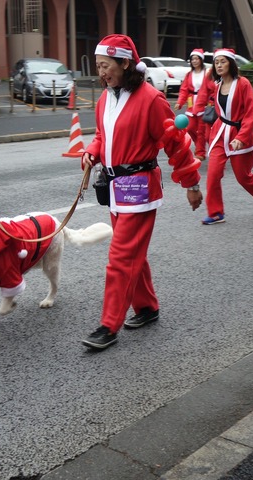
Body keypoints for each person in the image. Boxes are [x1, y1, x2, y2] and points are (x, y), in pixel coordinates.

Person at [80, 34, 203, 350]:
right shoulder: (106, 98)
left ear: (124, 63)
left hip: (139, 190)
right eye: (98, 65)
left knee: (120, 257)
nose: (101, 72)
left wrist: (191, 184)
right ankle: (147, 307)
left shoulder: (151, 99)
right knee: (133, 253)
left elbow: (176, 144)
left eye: (105, 65)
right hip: (115, 189)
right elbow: (103, 135)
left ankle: (109, 325)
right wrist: (93, 151)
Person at [194, 48, 253, 225]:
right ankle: (216, 213)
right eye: (216, 62)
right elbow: (210, 103)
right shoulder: (217, 85)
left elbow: (251, 114)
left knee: (243, 177)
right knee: (212, 174)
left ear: (231, 63)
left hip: (239, 136)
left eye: (223, 61)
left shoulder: (243, 84)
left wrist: (241, 137)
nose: (219, 65)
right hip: (220, 134)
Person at [174, 49, 208, 161]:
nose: (194, 61)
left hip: (204, 105)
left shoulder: (207, 73)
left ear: (201, 60)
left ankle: (200, 152)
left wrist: (212, 103)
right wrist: (179, 102)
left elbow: (212, 89)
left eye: (196, 58)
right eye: (192, 59)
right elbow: (184, 90)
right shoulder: (189, 75)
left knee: (202, 131)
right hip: (191, 104)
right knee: (189, 128)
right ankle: (200, 145)